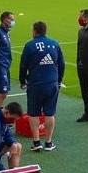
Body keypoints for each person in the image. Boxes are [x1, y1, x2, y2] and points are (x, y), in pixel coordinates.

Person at [19, 21, 64, 152]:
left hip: (36, 84)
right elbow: (61, 64)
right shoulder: (55, 44)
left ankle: (36, 142)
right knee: (50, 113)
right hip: (52, 83)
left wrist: (22, 81)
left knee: (33, 113)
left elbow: (23, 66)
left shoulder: (30, 45)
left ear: (35, 31)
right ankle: (49, 143)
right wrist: (59, 80)